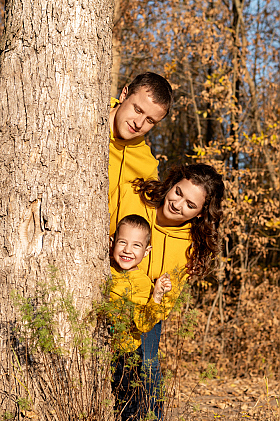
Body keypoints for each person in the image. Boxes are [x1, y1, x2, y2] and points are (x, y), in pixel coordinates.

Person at [109, 163, 225, 419]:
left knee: (146, 371)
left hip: (147, 311)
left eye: (190, 205)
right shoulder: (134, 200)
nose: (178, 204)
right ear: (171, 184)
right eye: (178, 192)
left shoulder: (189, 246)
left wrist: (152, 300)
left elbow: (167, 300)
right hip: (109, 297)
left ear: (199, 214)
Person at [109, 214, 172, 420]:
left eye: (136, 245)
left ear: (147, 252)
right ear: (112, 243)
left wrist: (156, 297)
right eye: (123, 242)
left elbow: (144, 324)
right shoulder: (105, 270)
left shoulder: (143, 283)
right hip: (101, 349)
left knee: (128, 404)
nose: (128, 250)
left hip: (126, 353)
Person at [109, 72, 173, 205]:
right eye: (138, 110)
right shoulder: (85, 111)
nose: (138, 123)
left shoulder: (146, 167)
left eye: (150, 120)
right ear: (124, 95)